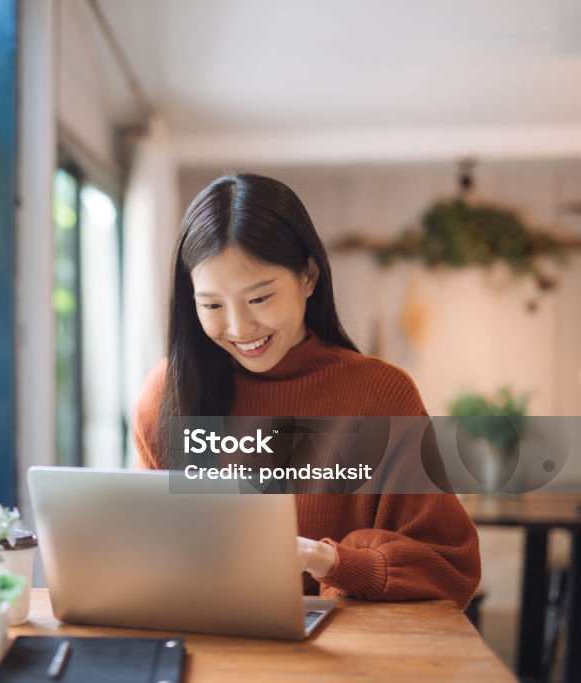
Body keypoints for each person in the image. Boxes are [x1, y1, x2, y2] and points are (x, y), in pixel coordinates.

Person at [133, 174, 481, 609]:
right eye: (213, 305)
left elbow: (451, 569)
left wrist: (333, 561)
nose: (240, 329)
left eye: (259, 299)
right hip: (204, 640)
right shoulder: (167, 392)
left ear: (309, 277)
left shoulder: (381, 396)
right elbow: (152, 551)